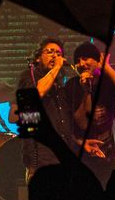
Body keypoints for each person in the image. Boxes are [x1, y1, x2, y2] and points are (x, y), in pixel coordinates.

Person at [63, 40, 115, 185]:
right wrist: (87, 91)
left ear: (96, 60)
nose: (82, 64)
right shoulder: (72, 85)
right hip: (82, 152)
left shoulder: (108, 81)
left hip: (107, 151)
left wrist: (107, 68)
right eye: (78, 61)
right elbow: (83, 123)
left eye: (85, 58)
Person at [15, 37, 75, 176]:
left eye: (59, 54)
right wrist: (57, 68)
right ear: (37, 58)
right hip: (42, 156)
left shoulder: (58, 84)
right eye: (50, 52)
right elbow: (37, 93)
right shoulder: (28, 77)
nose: (55, 56)